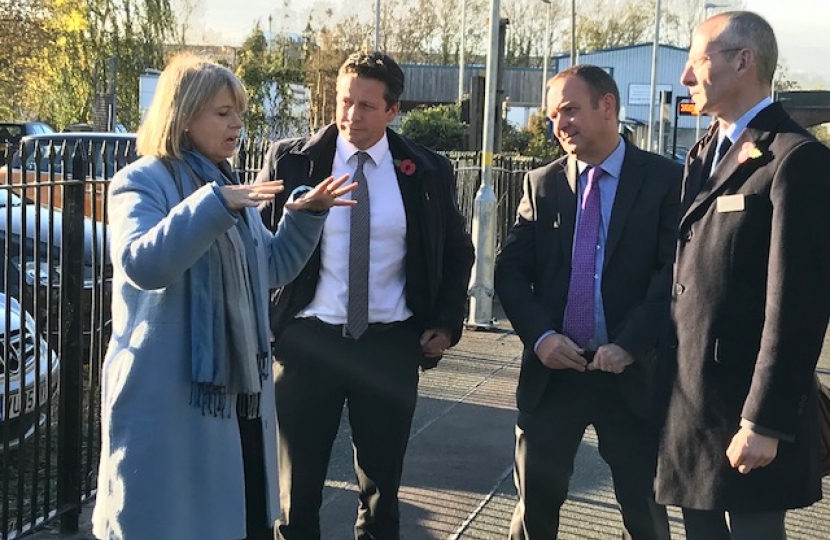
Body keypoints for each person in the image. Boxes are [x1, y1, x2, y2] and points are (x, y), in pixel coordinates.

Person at [91, 53, 355, 540]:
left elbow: (269, 268)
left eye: (239, 113)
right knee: (170, 525)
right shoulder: (142, 181)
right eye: (222, 113)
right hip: (169, 398)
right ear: (183, 116)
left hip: (238, 399)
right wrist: (213, 205)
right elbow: (143, 264)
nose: (237, 124)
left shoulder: (226, 183)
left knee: (241, 520)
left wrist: (305, 216)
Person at [256, 51, 475, 539]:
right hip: (308, 341)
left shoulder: (427, 171)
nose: (351, 115)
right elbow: (259, 245)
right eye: (345, 101)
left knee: (381, 493)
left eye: (367, 106)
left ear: (393, 110)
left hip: (388, 344)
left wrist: (444, 320)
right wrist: (267, 316)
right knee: (297, 494)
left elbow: (458, 251)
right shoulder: (294, 161)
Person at [654, 10, 830, 540]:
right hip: (690, 400)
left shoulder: (795, 158)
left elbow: (797, 305)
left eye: (696, 60)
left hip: (743, 409)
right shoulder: (706, 149)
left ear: (743, 61)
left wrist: (765, 420)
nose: (686, 77)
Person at [494, 65, 681, 540]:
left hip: (631, 375)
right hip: (553, 375)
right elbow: (510, 271)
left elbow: (674, 276)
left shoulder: (665, 181)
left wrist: (631, 344)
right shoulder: (542, 184)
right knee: (535, 510)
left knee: (645, 510)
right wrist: (540, 338)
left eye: (571, 110)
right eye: (555, 115)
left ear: (608, 107)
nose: (561, 124)